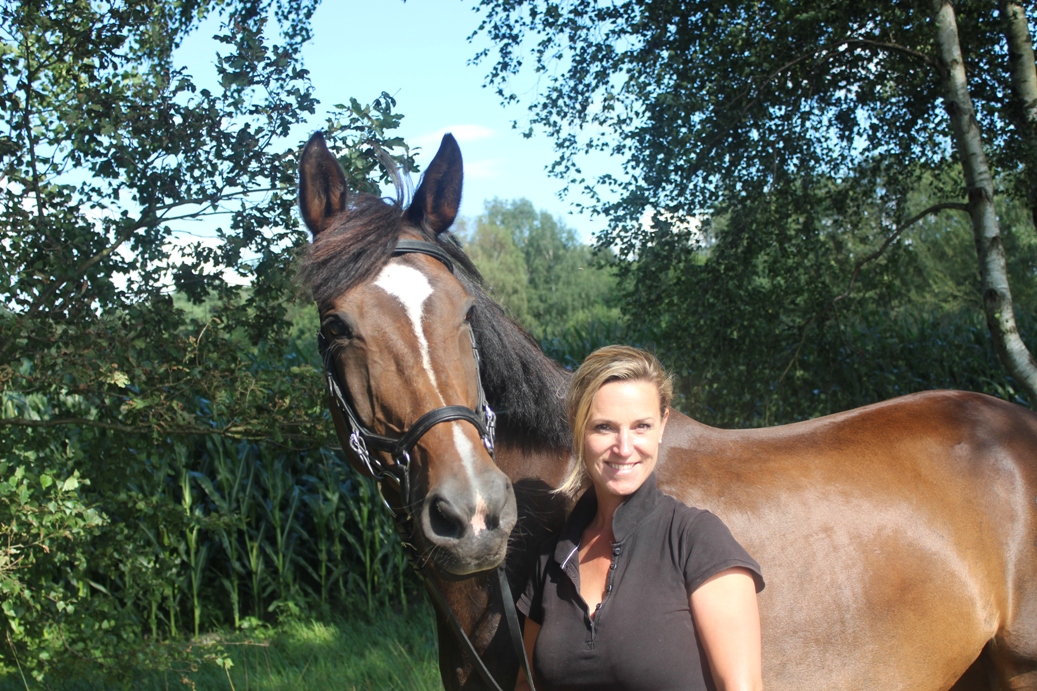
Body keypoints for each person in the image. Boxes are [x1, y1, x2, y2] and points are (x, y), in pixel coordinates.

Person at [516, 345, 764, 691]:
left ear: (663, 425)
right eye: (604, 427)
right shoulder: (552, 561)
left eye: (641, 426)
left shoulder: (697, 541)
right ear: (577, 428)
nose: (624, 447)